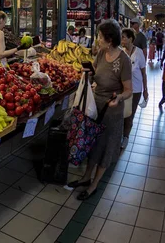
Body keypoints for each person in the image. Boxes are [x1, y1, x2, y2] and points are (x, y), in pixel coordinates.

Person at [68, 20, 132, 200]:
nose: (97, 39)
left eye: (100, 37)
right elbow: (94, 73)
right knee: (93, 144)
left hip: (111, 110)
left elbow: (128, 90)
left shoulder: (124, 60)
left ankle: (94, 185)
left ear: (110, 39)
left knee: (105, 147)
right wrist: (86, 73)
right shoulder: (101, 53)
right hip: (95, 106)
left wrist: (118, 98)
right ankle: (86, 177)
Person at [121, 28, 148, 150]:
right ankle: (120, 135)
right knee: (122, 113)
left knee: (130, 114)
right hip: (122, 88)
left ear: (131, 39)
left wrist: (146, 90)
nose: (122, 39)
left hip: (136, 89)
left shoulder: (138, 53)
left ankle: (125, 137)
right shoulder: (121, 52)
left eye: (124, 37)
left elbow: (144, 72)